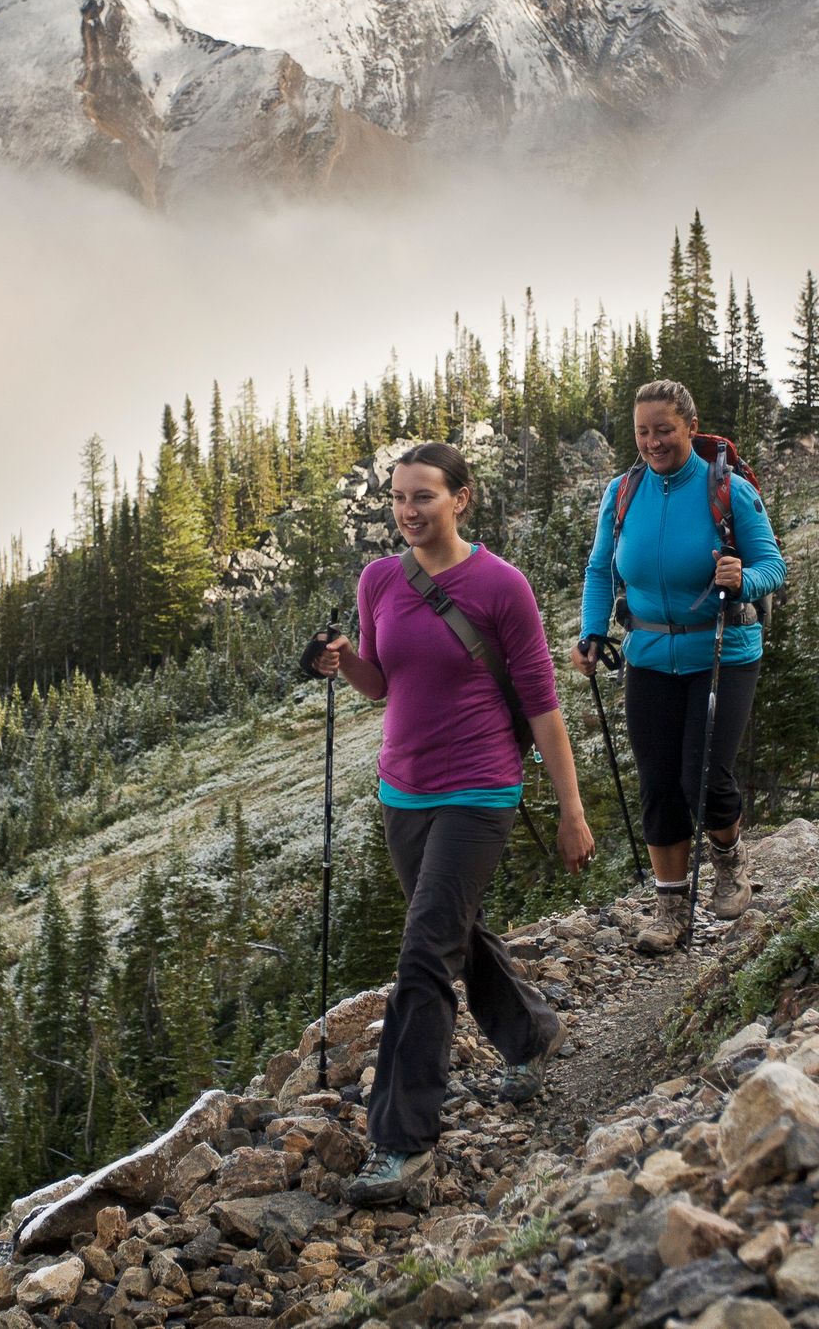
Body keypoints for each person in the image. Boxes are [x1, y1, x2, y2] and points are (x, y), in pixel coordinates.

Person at [311, 441, 596, 1208]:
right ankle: (532, 1033)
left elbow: (541, 703)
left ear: (461, 499)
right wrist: (344, 659)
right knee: (453, 932)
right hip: (403, 792)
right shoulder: (380, 579)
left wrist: (571, 810)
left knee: (424, 954)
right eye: (399, 498)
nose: (408, 511)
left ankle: (403, 1144)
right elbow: (381, 682)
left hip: (480, 789)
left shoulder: (502, 586)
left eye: (424, 497)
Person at [572, 379, 784, 954]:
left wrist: (744, 579)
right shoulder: (621, 492)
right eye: (643, 432)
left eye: (664, 429)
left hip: (722, 651)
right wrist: (593, 632)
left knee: (703, 775)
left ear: (690, 426)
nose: (653, 441)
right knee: (659, 782)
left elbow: (772, 565)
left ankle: (729, 859)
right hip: (647, 657)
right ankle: (670, 907)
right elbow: (600, 571)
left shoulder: (729, 490)